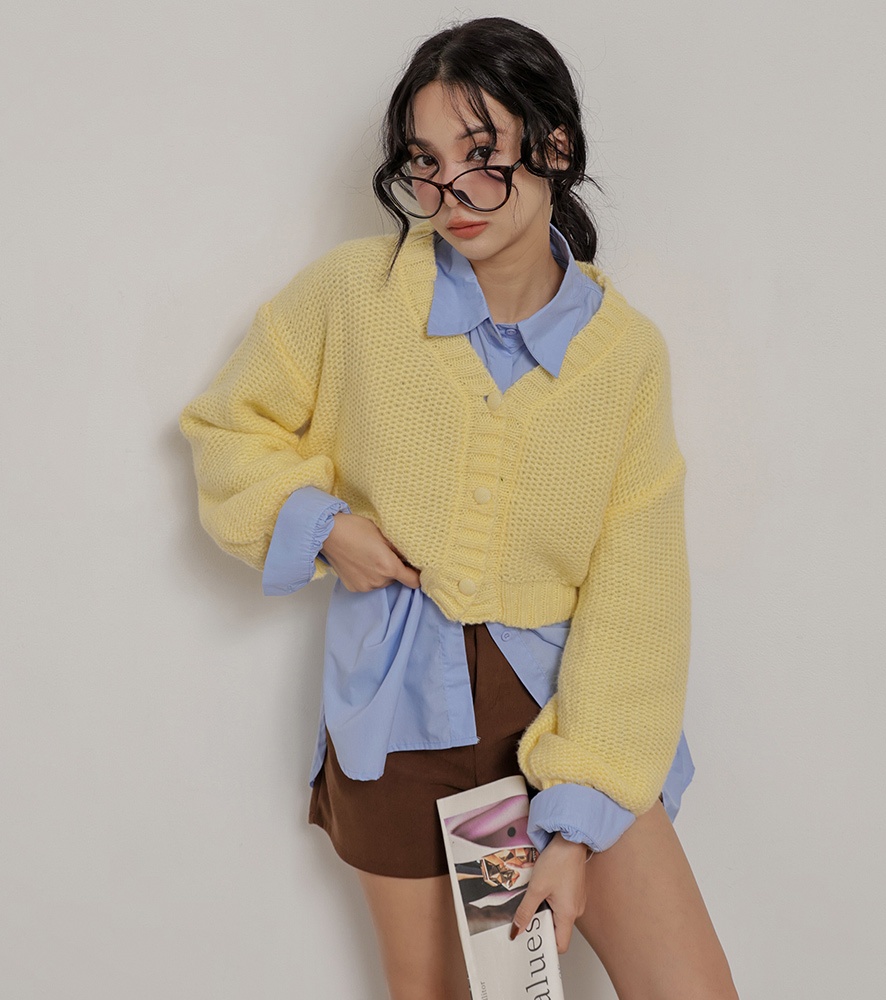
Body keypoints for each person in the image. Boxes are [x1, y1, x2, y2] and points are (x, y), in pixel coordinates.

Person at [180, 16, 739, 1000]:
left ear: (553, 148)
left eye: (481, 157)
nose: (449, 195)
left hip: (562, 717)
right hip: (399, 719)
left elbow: (637, 597)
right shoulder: (355, 294)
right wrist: (323, 527)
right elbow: (228, 424)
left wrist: (574, 828)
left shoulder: (623, 357)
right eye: (426, 165)